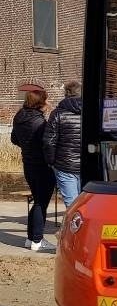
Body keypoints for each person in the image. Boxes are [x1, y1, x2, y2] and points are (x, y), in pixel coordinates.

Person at [11, 83, 56, 252]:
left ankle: (30, 239)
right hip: (42, 166)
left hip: (28, 164)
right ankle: (37, 240)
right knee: (40, 203)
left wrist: (26, 145)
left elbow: (14, 139)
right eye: (46, 100)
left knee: (37, 201)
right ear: (40, 103)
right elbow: (47, 144)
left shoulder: (19, 116)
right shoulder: (39, 122)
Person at [43, 79, 83, 208]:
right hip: (87, 164)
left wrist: (51, 162)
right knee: (86, 203)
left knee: (72, 205)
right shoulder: (92, 112)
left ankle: (73, 227)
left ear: (66, 94)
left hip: (65, 165)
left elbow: (49, 141)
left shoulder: (58, 113)